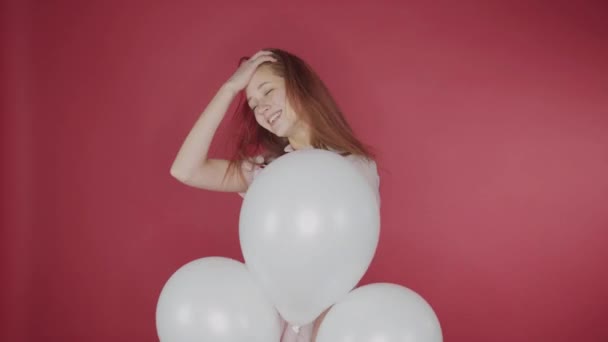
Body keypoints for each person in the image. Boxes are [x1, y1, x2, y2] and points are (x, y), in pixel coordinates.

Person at [170, 48, 380, 342]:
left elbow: (338, 258)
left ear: (299, 86)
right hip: (265, 327)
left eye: (268, 91)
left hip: (330, 328)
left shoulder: (354, 168)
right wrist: (229, 88)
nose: (262, 108)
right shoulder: (266, 172)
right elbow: (186, 170)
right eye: (254, 104)